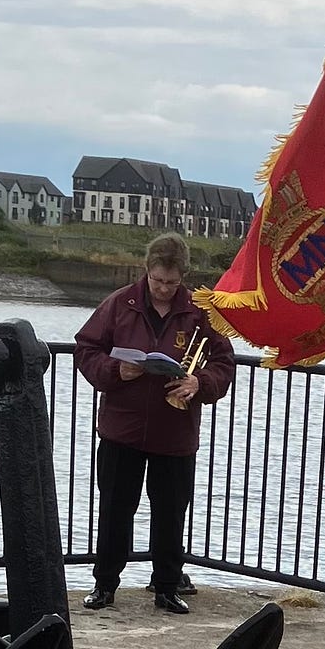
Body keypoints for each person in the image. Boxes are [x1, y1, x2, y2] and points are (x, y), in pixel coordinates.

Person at [73, 233, 234, 614]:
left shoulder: (201, 311)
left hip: (175, 432)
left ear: (183, 277)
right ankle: (104, 586)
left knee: (171, 512)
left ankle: (166, 587)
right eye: (158, 280)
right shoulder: (119, 303)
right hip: (122, 429)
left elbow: (224, 363)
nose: (163, 289)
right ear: (146, 271)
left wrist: (201, 382)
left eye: (172, 283)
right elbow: (86, 349)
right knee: (115, 509)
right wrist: (115, 370)